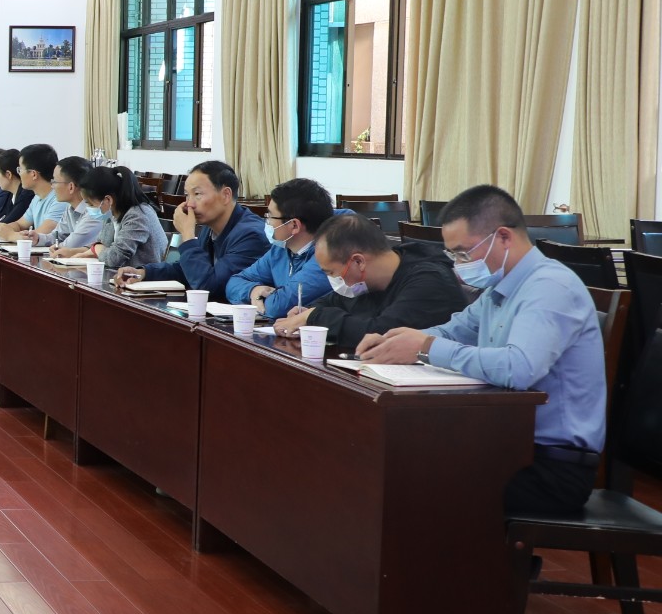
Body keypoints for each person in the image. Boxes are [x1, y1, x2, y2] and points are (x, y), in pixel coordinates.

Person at [356, 185, 605, 516]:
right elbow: (454, 329)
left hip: (549, 466)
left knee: (413, 481)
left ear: (503, 237)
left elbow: (518, 368)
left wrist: (426, 347)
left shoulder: (549, 288)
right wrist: (398, 340)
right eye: (453, 256)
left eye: (463, 253)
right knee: (387, 459)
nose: (459, 264)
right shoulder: (499, 288)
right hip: (504, 442)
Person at [272, 214, 470, 345]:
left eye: (331, 272)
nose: (331, 279)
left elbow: (381, 333)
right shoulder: (366, 282)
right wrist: (305, 312)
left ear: (358, 261)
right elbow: (332, 302)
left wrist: (314, 317)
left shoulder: (429, 281)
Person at [116, 159, 269, 290]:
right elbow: (187, 270)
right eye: (187, 195)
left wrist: (188, 235)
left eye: (197, 194)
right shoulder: (210, 227)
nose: (189, 204)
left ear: (225, 195)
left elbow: (209, 286)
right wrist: (144, 273)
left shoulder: (251, 235)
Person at [225, 178, 340, 318]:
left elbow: (278, 307)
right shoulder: (280, 248)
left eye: (270, 216)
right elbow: (233, 283)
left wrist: (266, 300)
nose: (267, 222)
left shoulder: (328, 257)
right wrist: (252, 290)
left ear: (294, 225)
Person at [78, 164, 167, 270]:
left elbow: (114, 258)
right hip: (122, 275)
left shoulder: (138, 215)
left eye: (91, 204)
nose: (88, 209)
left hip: (145, 278)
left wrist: (96, 248)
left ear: (108, 200)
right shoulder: (112, 214)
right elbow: (103, 245)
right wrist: (87, 250)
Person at [0, 144, 68, 240]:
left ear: (33, 174)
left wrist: (10, 235)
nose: (19, 174)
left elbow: (40, 235)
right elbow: (20, 224)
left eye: (20, 169)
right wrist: (3, 228)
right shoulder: (37, 197)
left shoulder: (60, 199)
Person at [43, 156, 104, 250]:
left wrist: (57, 247)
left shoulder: (95, 212)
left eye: (54, 181)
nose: (52, 186)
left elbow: (70, 245)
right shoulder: (70, 207)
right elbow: (58, 236)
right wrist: (37, 238)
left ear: (71, 187)